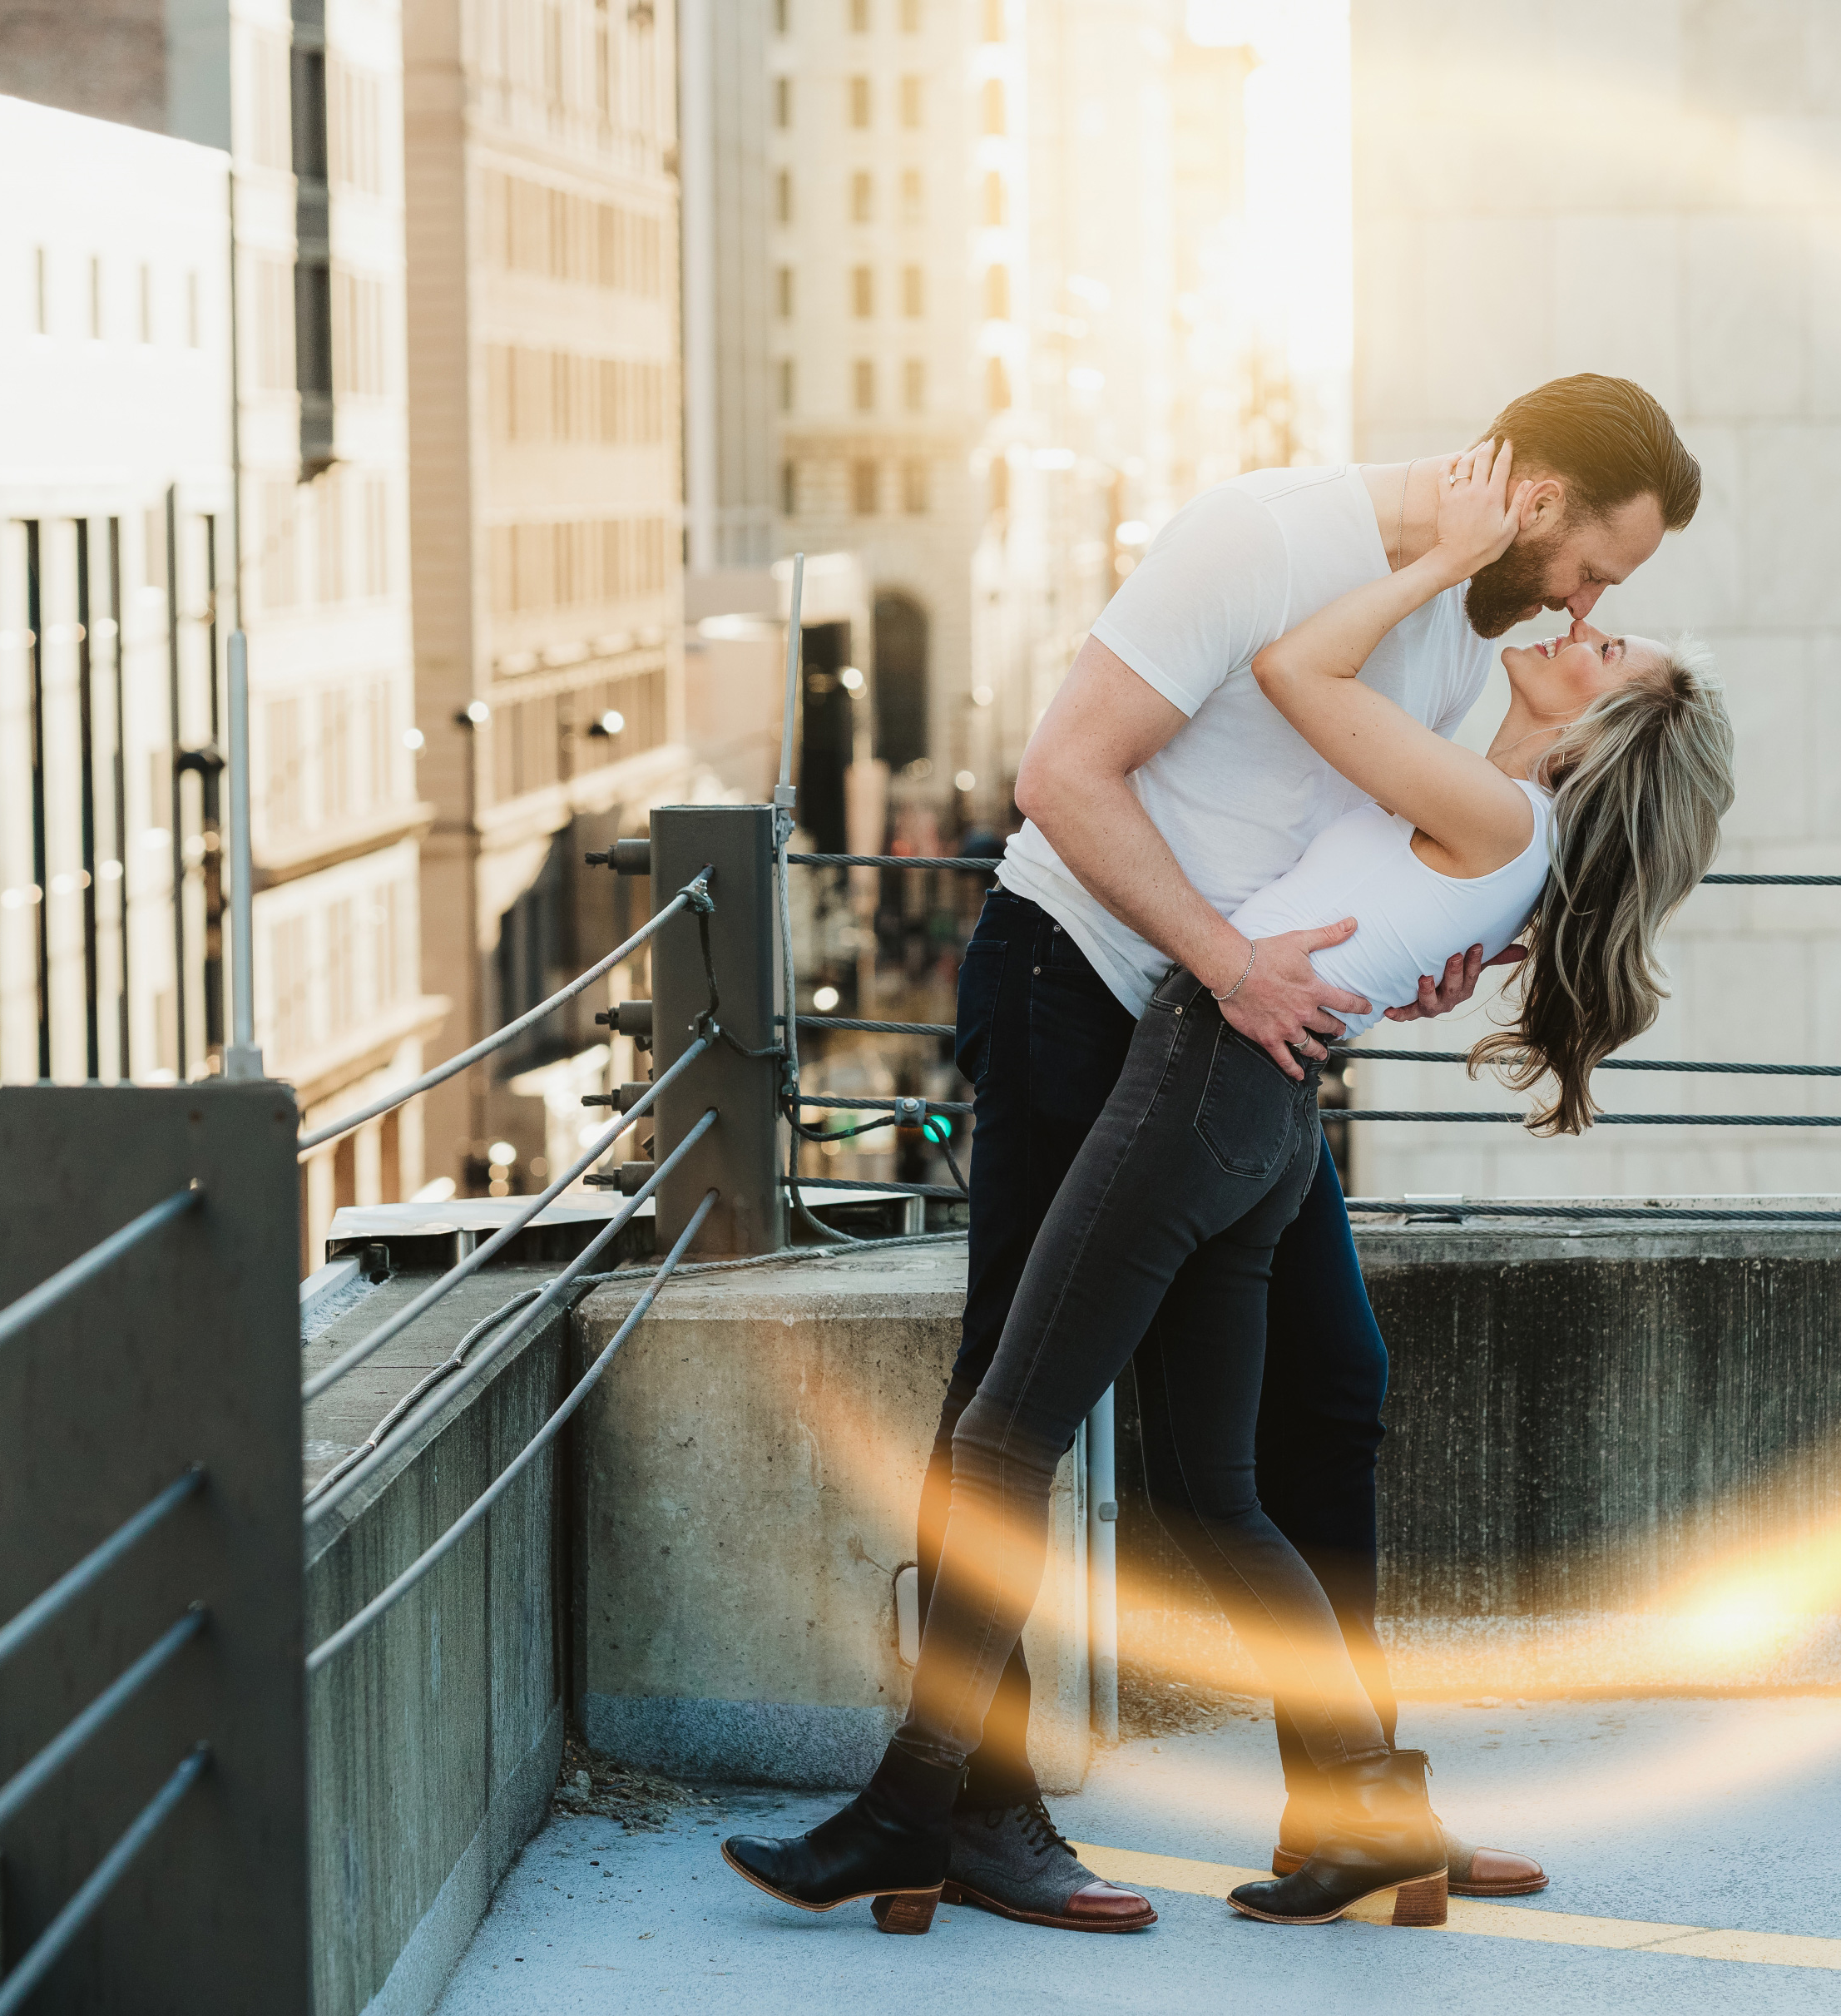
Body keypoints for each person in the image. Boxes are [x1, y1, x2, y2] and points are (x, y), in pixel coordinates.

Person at [721, 438, 1734, 1933]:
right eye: (1597, 567)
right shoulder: (1263, 538)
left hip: (1226, 1061)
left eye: (1610, 608)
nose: (1582, 604)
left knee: (1321, 1390)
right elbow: (1060, 775)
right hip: (1099, 991)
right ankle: (972, 1808)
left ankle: (1354, 1800)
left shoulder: (1457, 651)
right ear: (1533, 499)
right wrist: (1296, 943)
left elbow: (1420, 830)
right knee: (1023, 1409)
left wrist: (1442, 916)